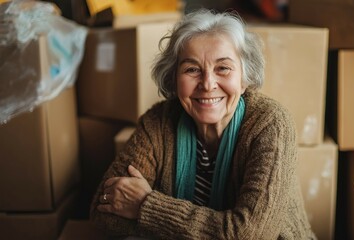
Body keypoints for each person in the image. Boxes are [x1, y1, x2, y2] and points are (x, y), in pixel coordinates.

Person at [90, 8, 315, 239]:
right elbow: (103, 210)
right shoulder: (158, 122)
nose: (207, 84)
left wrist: (146, 206)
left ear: (245, 78)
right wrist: (217, 229)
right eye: (192, 69)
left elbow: (250, 235)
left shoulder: (271, 124)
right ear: (174, 78)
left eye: (223, 68)